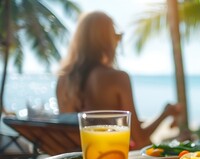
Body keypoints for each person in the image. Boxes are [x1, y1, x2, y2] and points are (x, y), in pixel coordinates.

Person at [56, 11, 181, 149]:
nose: (118, 41)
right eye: (116, 35)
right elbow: (140, 139)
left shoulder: (63, 81)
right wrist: (166, 113)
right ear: (106, 40)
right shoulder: (117, 78)